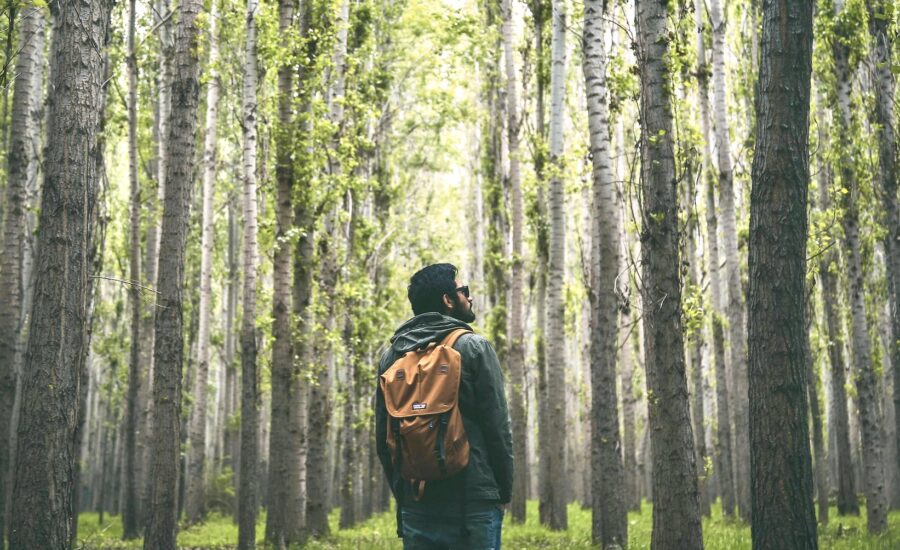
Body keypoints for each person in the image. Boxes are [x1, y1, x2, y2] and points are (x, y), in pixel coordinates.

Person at [375, 263, 513, 550]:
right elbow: (498, 429)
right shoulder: (474, 348)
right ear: (448, 300)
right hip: (473, 499)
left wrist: (404, 498)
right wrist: (501, 491)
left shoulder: (391, 357)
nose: (470, 297)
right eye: (464, 291)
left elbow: (383, 440)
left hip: (418, 500)